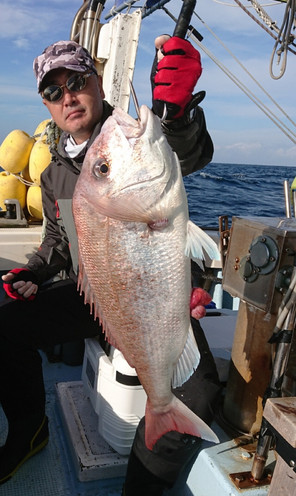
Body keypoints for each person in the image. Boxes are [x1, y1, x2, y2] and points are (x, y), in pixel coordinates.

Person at [0, 37, 221, 493]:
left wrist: (178, 114)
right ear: (46, 103)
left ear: (97, 82)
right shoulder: (53, 171)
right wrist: (36, 271)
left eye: (76, 82)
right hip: (97, 294)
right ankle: (29, 431)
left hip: (153, 297)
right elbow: (58, 241)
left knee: (197, 392)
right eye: (53, 91)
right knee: (4, 325)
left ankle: (140, 488)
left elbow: (187, 153)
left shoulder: (132, 141)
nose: (68, 97)